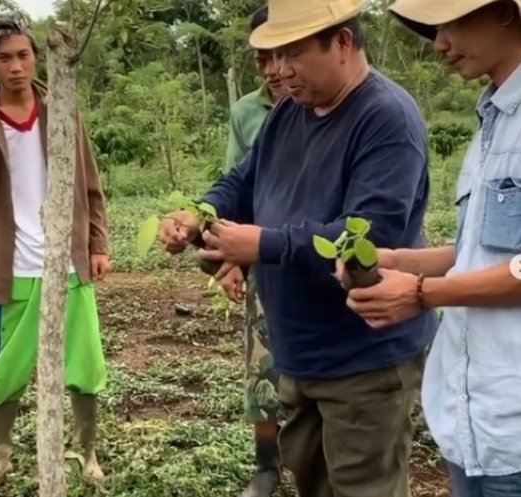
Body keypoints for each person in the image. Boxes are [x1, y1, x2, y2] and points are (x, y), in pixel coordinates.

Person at [156, 0, 438, 495]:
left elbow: (371, 235)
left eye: (293, 54)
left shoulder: (386, 117)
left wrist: (262, 244)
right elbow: (240, 183)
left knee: (363, 486)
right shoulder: (289, 112)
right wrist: (198, 215)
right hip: (299, 354)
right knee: (311, 478)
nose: (280, 71)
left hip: (363, 359)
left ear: (344, 43)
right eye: (273, 55)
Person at [343, 1, 521, 496]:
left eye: (452, 22)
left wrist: (423, 293)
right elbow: (486, 249)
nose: (439, 42)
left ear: (506, 13)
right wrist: (400, 261)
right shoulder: (494, 117)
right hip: (475, 418)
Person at [0, 12, 110, 484]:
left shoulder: (62, 109)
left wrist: (96, 242)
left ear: (37, 58)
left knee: (86, 363)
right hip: (10, 263)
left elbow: (89, 182)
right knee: (8, 368)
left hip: (67, 259)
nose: (16, 66)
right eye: (4, 58)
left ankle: (87, 452)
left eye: (23, 55)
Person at [222, 6, 288, 497]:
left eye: (279, 54)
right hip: (262, 258)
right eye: (261, 58)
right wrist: (232, 258)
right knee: (263, 371)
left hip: (316, 257)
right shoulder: (247, 112)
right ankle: (266, 467)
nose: (271, 69)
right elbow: (235, 188)